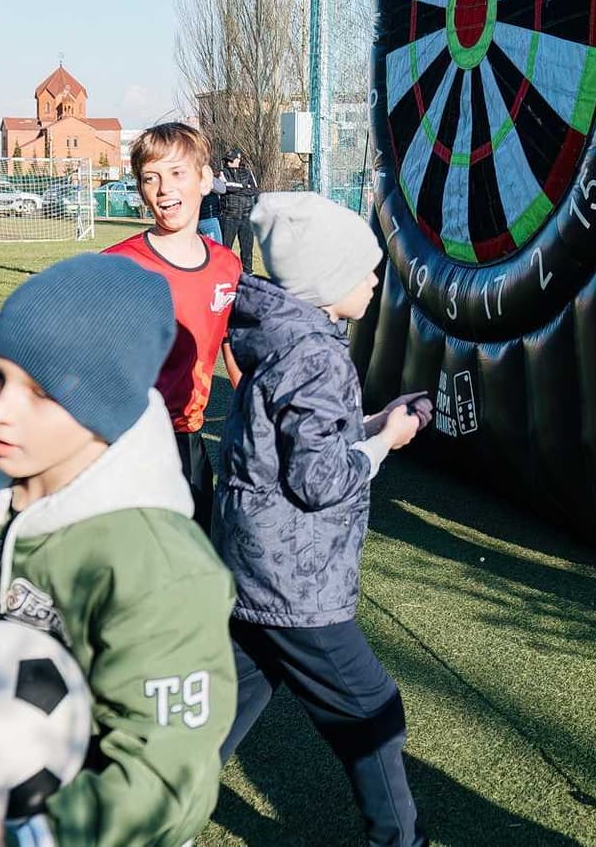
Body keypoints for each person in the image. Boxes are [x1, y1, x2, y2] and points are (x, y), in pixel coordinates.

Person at [0, 254, 238, 847]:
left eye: (40, 391)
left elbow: (167, 776)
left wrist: (31, 839)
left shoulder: (160, 567)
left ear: (104, 407)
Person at [215, 192, 429, 847]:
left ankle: (154, 803)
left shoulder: (285, 338)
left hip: (253, 564)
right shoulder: (318, 356)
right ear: (326, 281)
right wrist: (385, 442)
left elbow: (295, 442)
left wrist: (372, 422)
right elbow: (319, 480)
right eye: (363, 270)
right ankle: (400, 840)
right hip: (295, 577)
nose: (374, 280)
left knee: (229, 700)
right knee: (371, 710)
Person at [104, 122, 243, 533]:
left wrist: (264, 414)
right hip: (128, 441)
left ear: (205, 180)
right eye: (151, 178)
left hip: (188, 437)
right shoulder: (118, 266)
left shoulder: (227, 266)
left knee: (199, 548)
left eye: (177, 173)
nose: (164, 189)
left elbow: (234, 349)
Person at [216, 150, 259, 268]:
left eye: (231, 160)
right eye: (227, 160)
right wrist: (244, 187)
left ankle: (248, 273)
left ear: (238, 160)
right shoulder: (222, 172)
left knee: (247, 250)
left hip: (246, 215)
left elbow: (254, 190)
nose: (228, 162)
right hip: (229, 216)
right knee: (225, 249)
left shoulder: (247, 173)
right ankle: (224, 272)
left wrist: (237, 188)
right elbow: (225, 187)